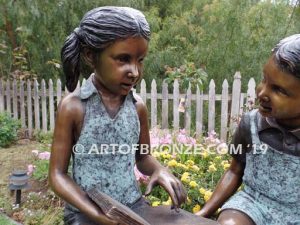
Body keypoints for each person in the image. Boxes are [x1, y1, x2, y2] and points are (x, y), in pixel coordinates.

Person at [49, 6, 216, 225]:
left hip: (132, 207)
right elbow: (57, 175)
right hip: (86, 214)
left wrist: (159, 169)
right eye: (123, 59)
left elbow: (143, 157)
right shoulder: (74, 107)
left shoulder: (137, 107)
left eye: (140, 60)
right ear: (91, 55)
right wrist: (99, 215)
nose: (135, 72)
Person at [196, 34, 300, 225]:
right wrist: (203, 212)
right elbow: (234, 171)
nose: (262, 92)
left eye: (279, 90)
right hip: (252, 205)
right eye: (264, 80)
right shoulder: (251, 124)